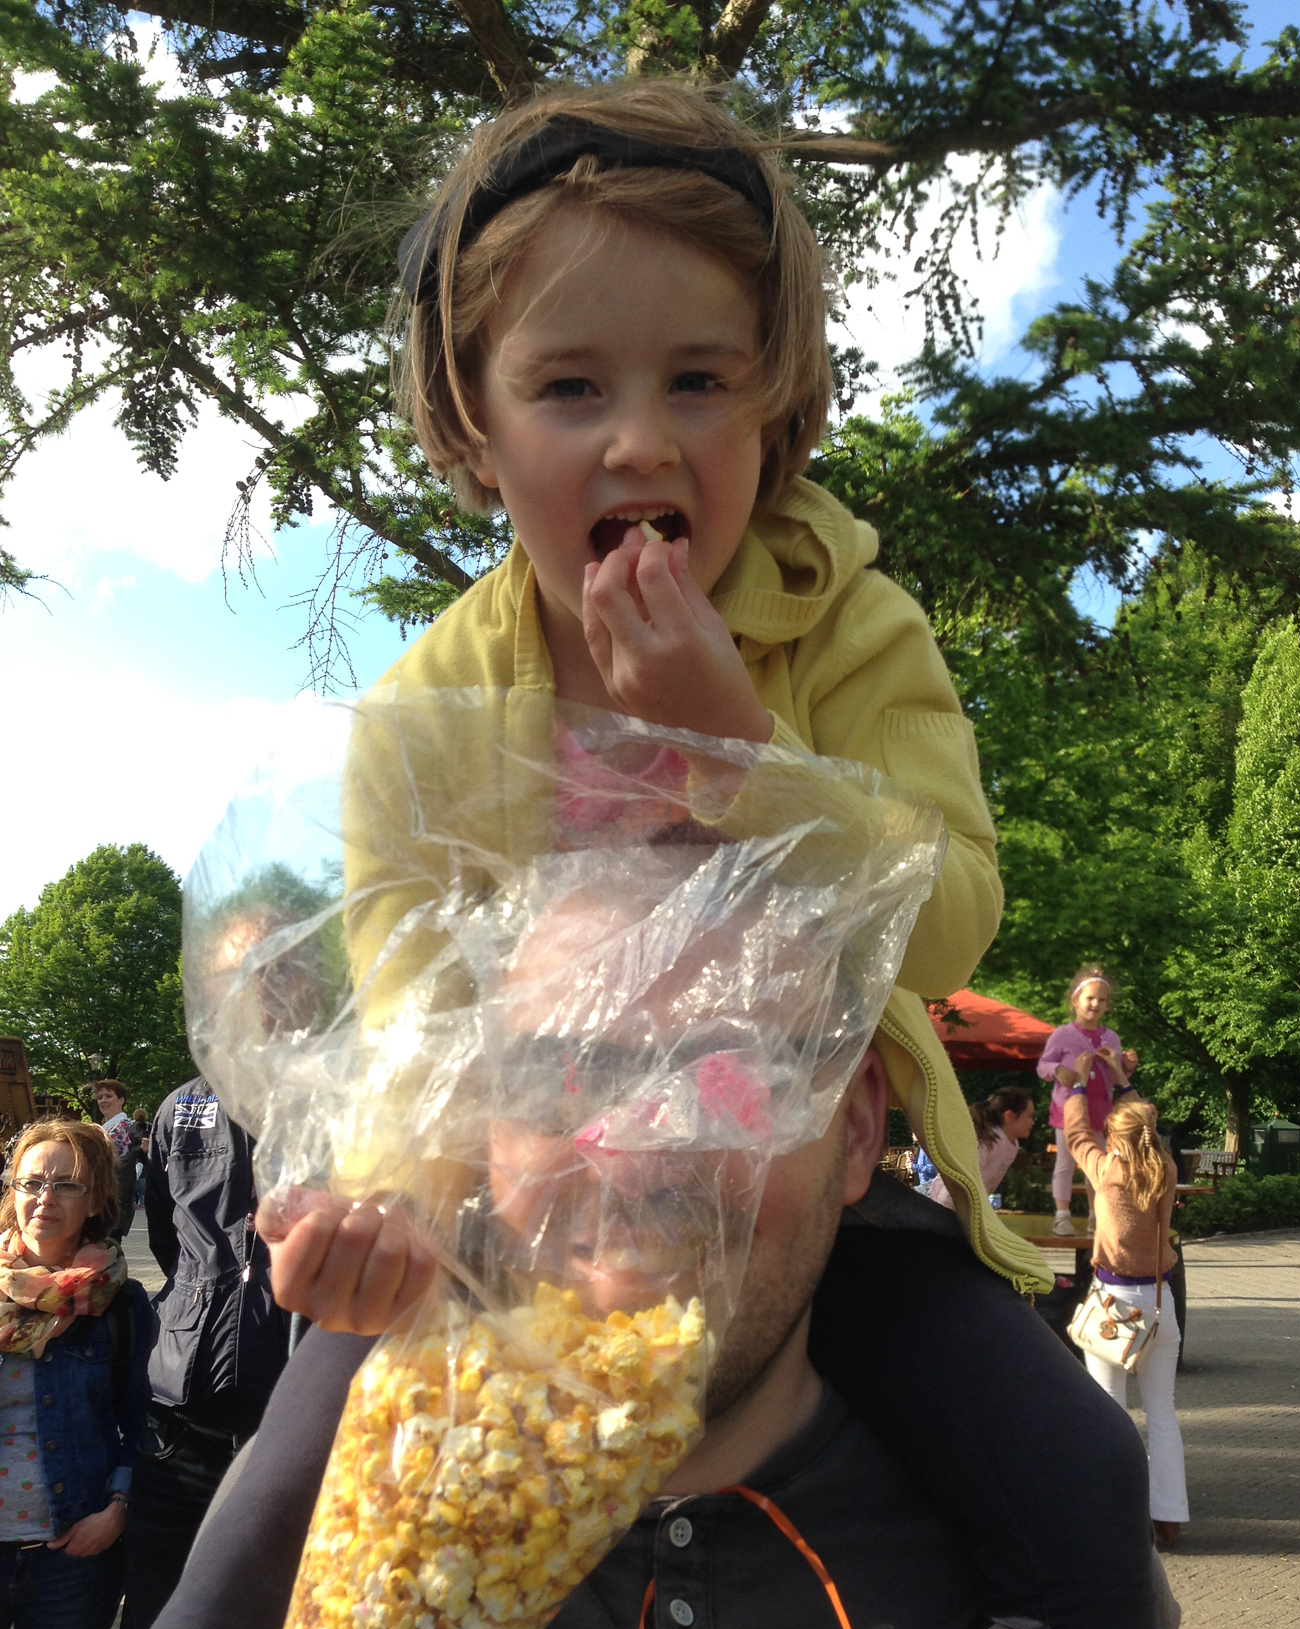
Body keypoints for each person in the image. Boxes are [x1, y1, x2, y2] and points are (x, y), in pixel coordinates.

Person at [1, 1044, 1282, 1629]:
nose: (626, 1149)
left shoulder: (1005, 1541)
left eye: (725, 1069)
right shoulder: (337, 1529)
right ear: (475, 1146)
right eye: (555, 1075)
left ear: (855, 1128)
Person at [350, 78, 1052, 1300]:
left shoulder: (852, 627)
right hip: (536, 1227)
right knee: (302, 1429)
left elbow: (947, 930)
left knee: (1031, 1417)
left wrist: (731, 743)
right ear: (472, 421)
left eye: (699, 381)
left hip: (811, 1219)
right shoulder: (423, 716)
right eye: (570, 388)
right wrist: (378, 1208)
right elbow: (407, 1021)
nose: (641, 443)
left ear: (774, 404)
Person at [0, 1119, 153, 1629]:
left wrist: (117, 1508)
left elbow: (143, 1419)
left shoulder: (121, 1305)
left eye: (67, 1184)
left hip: (73, 1557)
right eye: (32, 1182)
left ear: (96, 1201)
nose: (46, 1198)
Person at [113, 1076, 291, 1629]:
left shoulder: (333, 1095)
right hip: (181, 1425)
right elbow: (167, 1235)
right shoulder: (183, 1106)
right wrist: (201, 1298)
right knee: (155, 1621)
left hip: (287, 1426)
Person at [1062, 1059, 1187, 1549]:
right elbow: (1142, 1122)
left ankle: (1113, 1518)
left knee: (1109, 1413)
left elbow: (1076, 1134)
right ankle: (1168, 1517)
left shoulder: (1108, 1170)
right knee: (1163, 1414)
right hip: (1159, 1304)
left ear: (1115, 1138)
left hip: (1114, 1307)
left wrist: (1075, 1085)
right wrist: (1122, 1081)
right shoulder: (1166, 1169)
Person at [1037, 969, 1138, 1235]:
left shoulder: (1111, 1038)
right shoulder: (1062, 1035)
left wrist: (1127, 1066)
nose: (1095, 1004)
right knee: (1066, 1164)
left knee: (1098, 1164)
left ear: (1107, 1005)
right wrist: (1058, 1069)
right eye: (1090, 998)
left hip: (1100, 1111)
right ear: (1075, 1000)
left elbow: (1116, 1077)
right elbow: (1043, 1065)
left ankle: (1097, 1215)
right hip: (1068, 1111)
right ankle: (1062, 1215)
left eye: (1101, 1000)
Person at [88, 1082, 142, 1241]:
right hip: (99, 1198)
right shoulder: (103, 1128)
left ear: (121, 1100)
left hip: (113, 1200)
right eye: (100, 1097)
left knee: (106, 1245)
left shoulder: (127, 1127)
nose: (103, 1100)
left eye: (108, 1096)